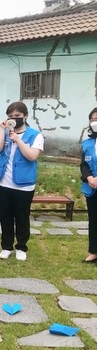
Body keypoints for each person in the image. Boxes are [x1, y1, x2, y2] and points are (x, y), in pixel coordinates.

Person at [0, 101, 44, 261]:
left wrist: (18, 140)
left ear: (25, 116)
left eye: (17, 116)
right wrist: (2, 130)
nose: (14, 118)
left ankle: (21, 247)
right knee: (5, 217)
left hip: (24, 185)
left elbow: (32, 156)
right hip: (3, 183)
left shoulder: (35, 135)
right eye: (10, 116)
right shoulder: (6, 132)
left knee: (22, 217)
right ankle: (6, 246)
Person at [80, 107, 97, 263]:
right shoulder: (87, 143)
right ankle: (94, 251)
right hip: (92, 187)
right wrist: (89, 178)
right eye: (92, 120)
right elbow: (84, 164)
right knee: (94, 220)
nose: (94, 122)